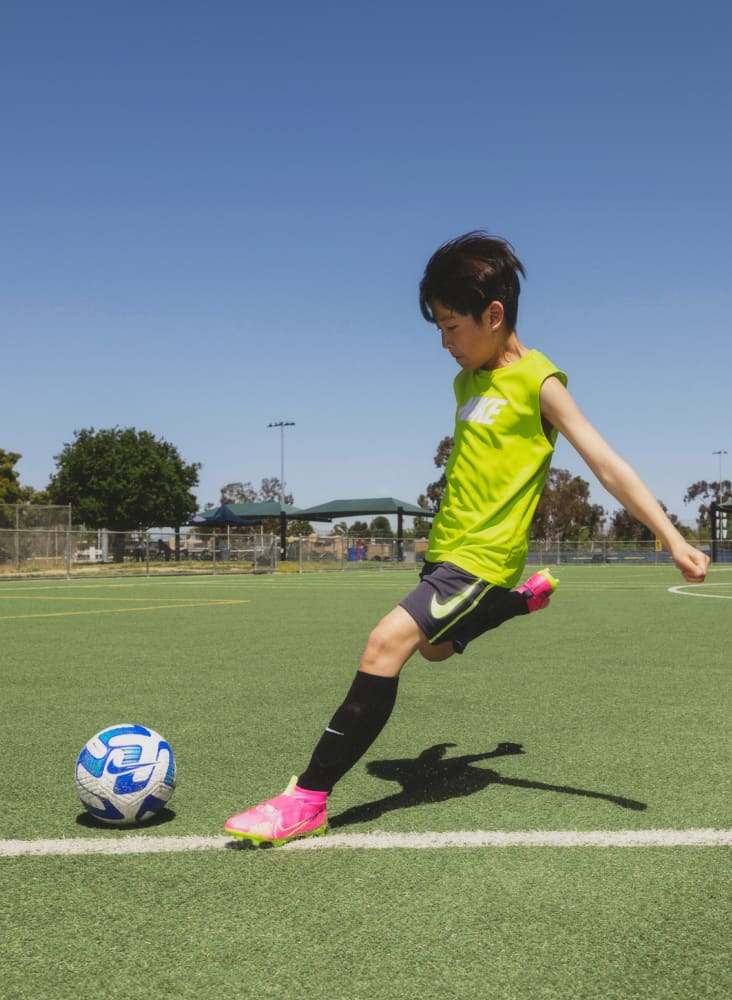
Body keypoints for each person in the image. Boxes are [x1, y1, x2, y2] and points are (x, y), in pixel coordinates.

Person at [224, 231, 709, 846]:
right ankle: (517, 603)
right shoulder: (466, 383)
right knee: (432, 649)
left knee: (384, 646)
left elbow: (605, 462)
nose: (444, 342)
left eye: (451, 327)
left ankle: (306, 800)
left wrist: (670, 535)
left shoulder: (539, 382)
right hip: (448, 553)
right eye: (438, 328)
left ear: (494, 315)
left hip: (483, 559)